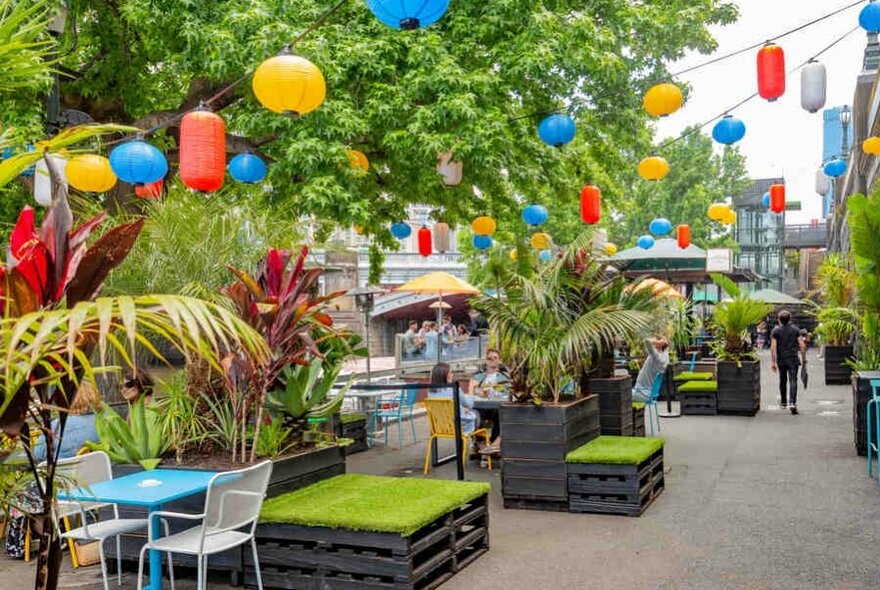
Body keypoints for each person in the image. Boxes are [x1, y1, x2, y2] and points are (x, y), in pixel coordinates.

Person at [33, 381, 101, 462]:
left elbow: (38, 454)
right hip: (102, 472)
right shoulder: (105, 422)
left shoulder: (55, 426)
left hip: (62, 472)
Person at [469, 348, 510, 443]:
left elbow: (508, 392)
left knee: (500, 413)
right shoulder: (479, 376)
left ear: (499, 361)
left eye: (495, 358)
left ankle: (493, 442)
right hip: (481, 406)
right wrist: (478, 391)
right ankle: (480, 443)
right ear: (486, 361)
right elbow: (472, 390)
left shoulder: (504, 376)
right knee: (474, 414)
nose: (492, 360)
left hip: (496, 406)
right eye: (489, 358)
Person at [428, 362, 479, 435]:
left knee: (469, 412)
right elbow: (469, 404)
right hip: (459, 427)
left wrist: (461, 409)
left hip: (439, 427)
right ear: (445, 375)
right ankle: (479, 441)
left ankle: (477, 442)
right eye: (451, 372)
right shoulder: (454, 389)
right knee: (477, 414)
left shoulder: (431, 392)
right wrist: (470, 388)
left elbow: (445, 408)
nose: (452, 374)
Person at [771, 309, 806, 414]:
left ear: (779, 320)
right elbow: (802, 346)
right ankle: (793, 403)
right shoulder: (795, 330)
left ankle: (783, 402)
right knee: (793, 380)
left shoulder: (776, 331)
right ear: (790, 319)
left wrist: (773, 362)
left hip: (781, 359)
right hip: (793, 358)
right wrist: (804, 359)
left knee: (783, 380)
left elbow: (773, 347)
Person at [633, 337, 670, 403]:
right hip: (649, 393)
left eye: (657, 339)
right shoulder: (665, 357)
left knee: (620, 395)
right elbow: (667, 347)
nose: (654, 339)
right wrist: (663, 342)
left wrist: (658, 342)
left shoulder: (656, 356)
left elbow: (646, 340)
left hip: (642, 393)